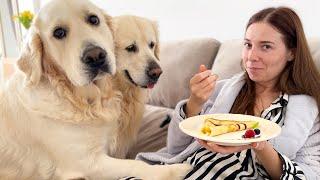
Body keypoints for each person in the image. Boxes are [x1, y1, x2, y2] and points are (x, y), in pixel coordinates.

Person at [136, 7, 320, 179]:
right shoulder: (222, 90)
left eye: (266, 46)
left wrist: (258, 144)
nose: (251, 56)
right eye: (248, 45)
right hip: (185, 171)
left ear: (291, 53)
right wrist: (194, 103)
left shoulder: (308, 111)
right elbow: (176, 148)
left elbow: (308, 173)